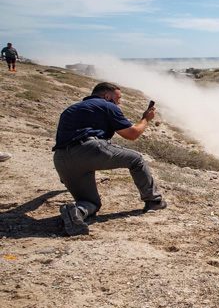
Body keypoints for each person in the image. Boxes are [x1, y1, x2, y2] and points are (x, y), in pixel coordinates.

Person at [52, 82, 166, 236]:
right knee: (136, 160)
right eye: (118, 98)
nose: (119, 102)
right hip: (90, 150)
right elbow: (132, 134)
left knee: (91, 203)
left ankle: (77, 212)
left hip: (61, 160)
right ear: (107, 96)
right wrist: (145, 118)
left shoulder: (70, 110)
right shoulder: (107, 106)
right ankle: (154, 201)